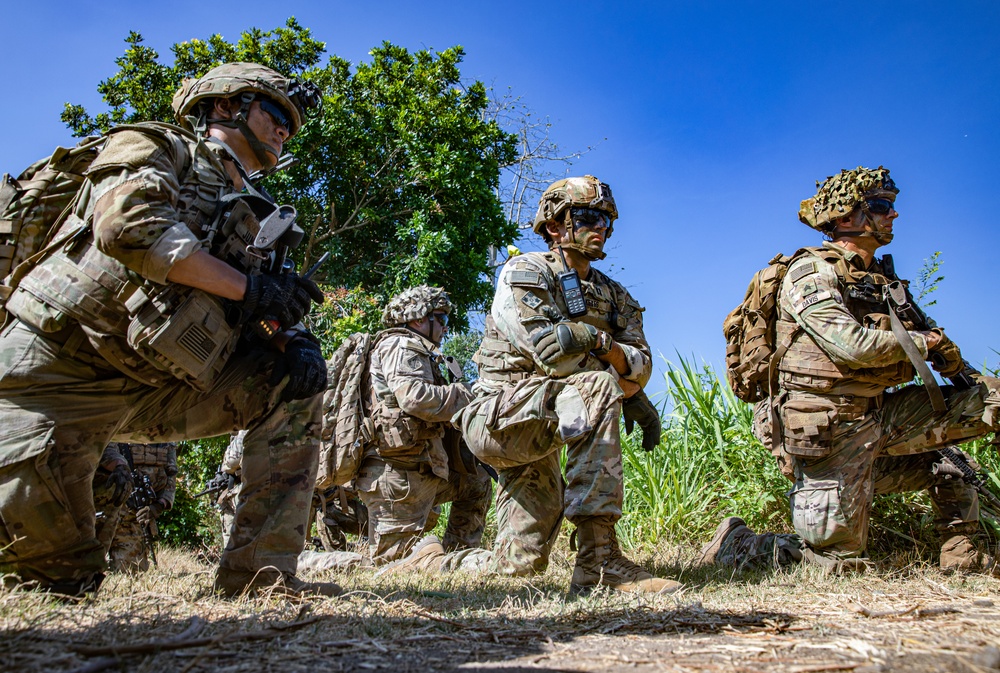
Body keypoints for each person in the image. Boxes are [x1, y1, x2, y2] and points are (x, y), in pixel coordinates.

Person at [0, 62, 338, 598]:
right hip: (57, 377)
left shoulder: (258, 217)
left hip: (159, 390)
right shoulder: (157, 145)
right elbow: (129, 225)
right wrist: (250, 290)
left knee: (293, 381)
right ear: (225, 106)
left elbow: (248, 314)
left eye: (290, 127)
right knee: (55, 582)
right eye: (275, 113)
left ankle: (261, 576)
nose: (283, 130)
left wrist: (288, 334)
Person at [382, 176, 679, 595]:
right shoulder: (525, 271)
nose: (602, 228)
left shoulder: (615, 296)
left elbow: (641, 367)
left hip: (551, 417)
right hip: (498, 418)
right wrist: (612, 363)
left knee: (521, 565)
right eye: (590, 217)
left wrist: (603, 347)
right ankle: (599, 565)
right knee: (595, 387)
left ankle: (433, 561)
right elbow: (554, 356)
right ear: (555, 225)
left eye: (608, 221)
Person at [698, 166, 1000, 573]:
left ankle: (967, 556)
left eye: (892, 207)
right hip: (829, 425)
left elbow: (935, 346)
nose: (893, 215)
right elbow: (854, 347)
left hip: (880, 414)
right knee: (835, 564)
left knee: (978, 420)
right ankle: (737, 543)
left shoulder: (881, 281)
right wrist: (926, 345)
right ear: (845, 217)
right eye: (880, 206)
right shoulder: (810, 273)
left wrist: (950, 358)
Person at [356, 285, 492, 565]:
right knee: (393, 564)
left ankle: (459, 556)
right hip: (397, 475)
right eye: (441, 318)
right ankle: (305, 561)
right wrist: (470, 393)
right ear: (419, 319)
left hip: (423, 469)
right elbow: (415, 398)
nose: (444, 327)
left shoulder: (421, 351)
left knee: (476, 481)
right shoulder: (401, 344)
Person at [93, 442, 177, 571]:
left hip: (136, 517)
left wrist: (160, 504)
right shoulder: (120, 428)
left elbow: (171, 475)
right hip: (105, 509)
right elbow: (104, 452)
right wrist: (119, 466)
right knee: (89, 565)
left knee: (131, 571)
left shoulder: (166, 438)